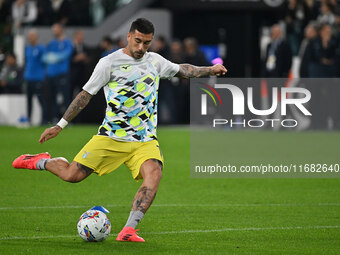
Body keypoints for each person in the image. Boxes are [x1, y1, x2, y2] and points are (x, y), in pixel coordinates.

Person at [12, 18, 227, 242]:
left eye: (147, 43)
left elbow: (183, 70)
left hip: (144, 139)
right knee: (71, 175)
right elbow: (85, 95)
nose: (141, 48)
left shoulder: (155, 61)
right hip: (112, 137)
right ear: (129, 36)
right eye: (138, 41)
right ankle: (41, 161)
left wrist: (210, 69)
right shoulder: (109, 63)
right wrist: (60, 125)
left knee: (154, 174)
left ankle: (128, 230)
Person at [43, 23, 73, 122]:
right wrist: (55, 57)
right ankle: (54, 118)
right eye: (53, 29)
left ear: (61, 30)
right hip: (51, 74)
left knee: (65, 97)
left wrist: (54, 57)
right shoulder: (51, 43)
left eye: (55, 29)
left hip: (62, 74)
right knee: (52, 98)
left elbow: (66, 55)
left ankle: (67, 120)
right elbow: (44, 57)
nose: (54, 31)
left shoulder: (67, 42)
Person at [24, 29, 47, 125]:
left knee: (41, 100)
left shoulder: (41, 48)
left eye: (32, 36)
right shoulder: (27, 48)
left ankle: (43, 120)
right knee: (29, 101)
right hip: (28, 78)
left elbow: (45, 62)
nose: (30, 38)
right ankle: (29, 120)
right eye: (29, 36)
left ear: (36, 37)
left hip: (38, 78)